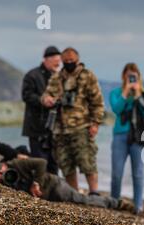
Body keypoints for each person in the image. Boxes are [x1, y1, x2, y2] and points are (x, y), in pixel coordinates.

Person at [41, 47, 105, 195]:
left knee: (87, 161)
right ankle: (74, 193)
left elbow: (97, 102)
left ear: (78, 60)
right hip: (60, 128)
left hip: (81, 126)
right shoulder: (57, 78)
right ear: (62, 61)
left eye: (72, 61)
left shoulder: (88, 76)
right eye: (66, 61)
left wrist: (95, 123)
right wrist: (48, 100)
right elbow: (45, 96)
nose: (69, 63)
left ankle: (94, 192)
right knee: (65, 163)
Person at [0, 158, 121, 210]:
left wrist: (36, 183)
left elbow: (42, 162)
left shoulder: (16, 164)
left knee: (83, 200)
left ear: (4, 165)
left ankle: (114, 203)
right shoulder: (1, 185)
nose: (5, 175)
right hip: (49, 197)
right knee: (80, 201)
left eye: (3, 171)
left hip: (55, 185)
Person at [109, 63, 144, 214]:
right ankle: (114, 201)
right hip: (120, 136)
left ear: (139, 77)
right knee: (117, 173)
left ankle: (138, 205)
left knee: (138, 173)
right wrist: (126, 92)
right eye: (129, 76)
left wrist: (138, 94)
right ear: (123, 77)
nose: (131, 78)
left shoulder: (143, 93)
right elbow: (116, 109)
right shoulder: (116, 93)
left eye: (134, 76)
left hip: (137, 137)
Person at [21, 46, 61, 174]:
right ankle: (38, 193)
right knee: (40, 165)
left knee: (54, 166)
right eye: (55, 61)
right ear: (46, 59)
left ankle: (52, 193)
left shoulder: (60, 78)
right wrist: (42, 100)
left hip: (54, 130)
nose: (58, 64)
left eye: (59, 61)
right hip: (36, 128)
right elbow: (26, 95)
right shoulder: (32, 75)